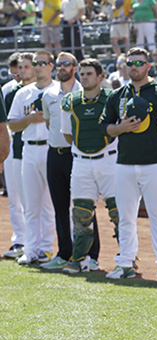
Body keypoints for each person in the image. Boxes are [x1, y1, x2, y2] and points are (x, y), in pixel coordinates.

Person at [100, 47, 157, 279]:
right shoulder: (117, 94)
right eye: (130, 63)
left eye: (139, 63)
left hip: (155, 164)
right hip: (124, 163)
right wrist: (120, 128)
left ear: (149, 66)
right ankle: (126, 263)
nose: (134, 67)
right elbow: (105, 127)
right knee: (126, 216)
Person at [40, 52, 100, 271]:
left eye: (66, 64)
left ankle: (92, 255)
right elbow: (49, 123)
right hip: (54, 154)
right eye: (59, 64)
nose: (61, 67)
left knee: (85, 206)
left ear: (75, 68)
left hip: (78, 155)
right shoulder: (48, 95)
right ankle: (64, 252)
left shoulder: (85, 92)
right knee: (60, 207)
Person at [60, 58, 119, 274]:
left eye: (89, 74)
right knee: (81, 214)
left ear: (100, 76)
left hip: (109, 160)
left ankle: (126, 260)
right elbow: (68, 134)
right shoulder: (70, 101)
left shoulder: (112, 99)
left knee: (117, 212)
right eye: (82, 74)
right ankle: (79, 259)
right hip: (81, 162)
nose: (84, 77)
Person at [7, 50, 58, 266]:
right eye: (35, 63)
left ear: (51, 66)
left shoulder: (58, 90)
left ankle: (47, 249)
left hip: (51, 148)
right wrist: (29, 119)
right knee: (30, 204)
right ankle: (31, 249)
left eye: (42, 63)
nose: (38, 67)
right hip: (29, 148)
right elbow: (12, 124)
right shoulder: (23, 93)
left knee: (49, 205)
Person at [2, 52, 35, 260]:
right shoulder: (8, 90)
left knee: (37, 200)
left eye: (23, 69)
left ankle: (40, 243)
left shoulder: (45, 90)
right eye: (15, 72)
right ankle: (20, 241)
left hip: (37, 149)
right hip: (14, 148)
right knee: (14, 198)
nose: (19, 75)